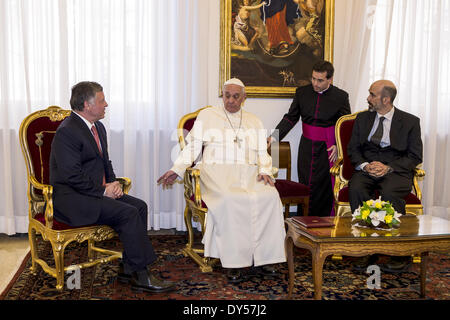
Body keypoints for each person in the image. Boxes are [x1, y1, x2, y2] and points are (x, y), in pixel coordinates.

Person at [50, 81, 176, 293]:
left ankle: (128, 268)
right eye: (101, 100)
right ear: (86, 105)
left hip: (93, 193)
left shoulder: (97, 126)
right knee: (127, 214)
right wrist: (103, 190)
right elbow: (70, 175)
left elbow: (104, 161)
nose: (106, 104)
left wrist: (113, 183)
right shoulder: (67, 131)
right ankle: (141, 274)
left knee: (140, 206)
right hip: (73, 199)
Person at [158, 78, 286, 283]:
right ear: (223, 95)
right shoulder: (208, 116)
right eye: (227, 95)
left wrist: (265, 170)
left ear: (244, 98)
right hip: (216, 172)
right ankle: (233, 261)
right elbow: (192, 147)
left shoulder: (254, 120)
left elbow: (263, 151)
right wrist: (177, 169)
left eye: (236, 96)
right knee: (229, 199)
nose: (231, 101)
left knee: (270, 196)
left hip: (249, 172)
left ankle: (266, 258)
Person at [347, 80, 423, 272]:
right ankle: (365, 249)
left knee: (390, 193)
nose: (368, 98)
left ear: (386, 99)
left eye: (372, 94)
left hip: (395, 170)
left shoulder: (410, 122)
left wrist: (388, 167)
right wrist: (364, 166)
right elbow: (353, 148)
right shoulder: (363, 119)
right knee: (356, 188)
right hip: (368, 168)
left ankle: (398, 252)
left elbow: (415, 156)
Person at [269, 60, 351, 216]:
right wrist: (274, 137)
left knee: (323, 185)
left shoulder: (341, 96)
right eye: (313, 78)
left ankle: (323, 223)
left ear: (330, 79)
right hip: (306, 146)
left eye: (320, 80)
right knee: (306, 183)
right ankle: (304, 220)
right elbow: (290, 118)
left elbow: (344, 124)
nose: (315, 83)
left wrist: (338, 145)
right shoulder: (302, 92)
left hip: (328, 148)